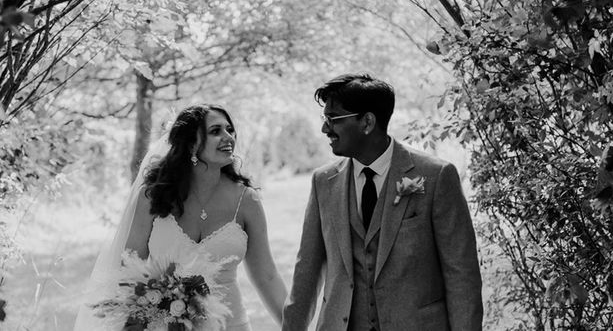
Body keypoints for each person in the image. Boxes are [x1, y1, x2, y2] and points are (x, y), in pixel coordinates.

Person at [282, 73, 483, 331]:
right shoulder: (323, 181)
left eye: (333, 119)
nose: (325, 128)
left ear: (367, 122)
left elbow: (461, 275)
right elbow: (306, 274)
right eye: (325, 119)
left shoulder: (436, 176)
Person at [74, 104, 287, 331]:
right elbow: (128, 270)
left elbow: (267, 277)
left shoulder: (247, 201)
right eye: (216, 131)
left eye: (230, 130)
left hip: (231, 325)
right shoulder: (153, 196)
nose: (229, 137)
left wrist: (296, 325)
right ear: (191, 144)